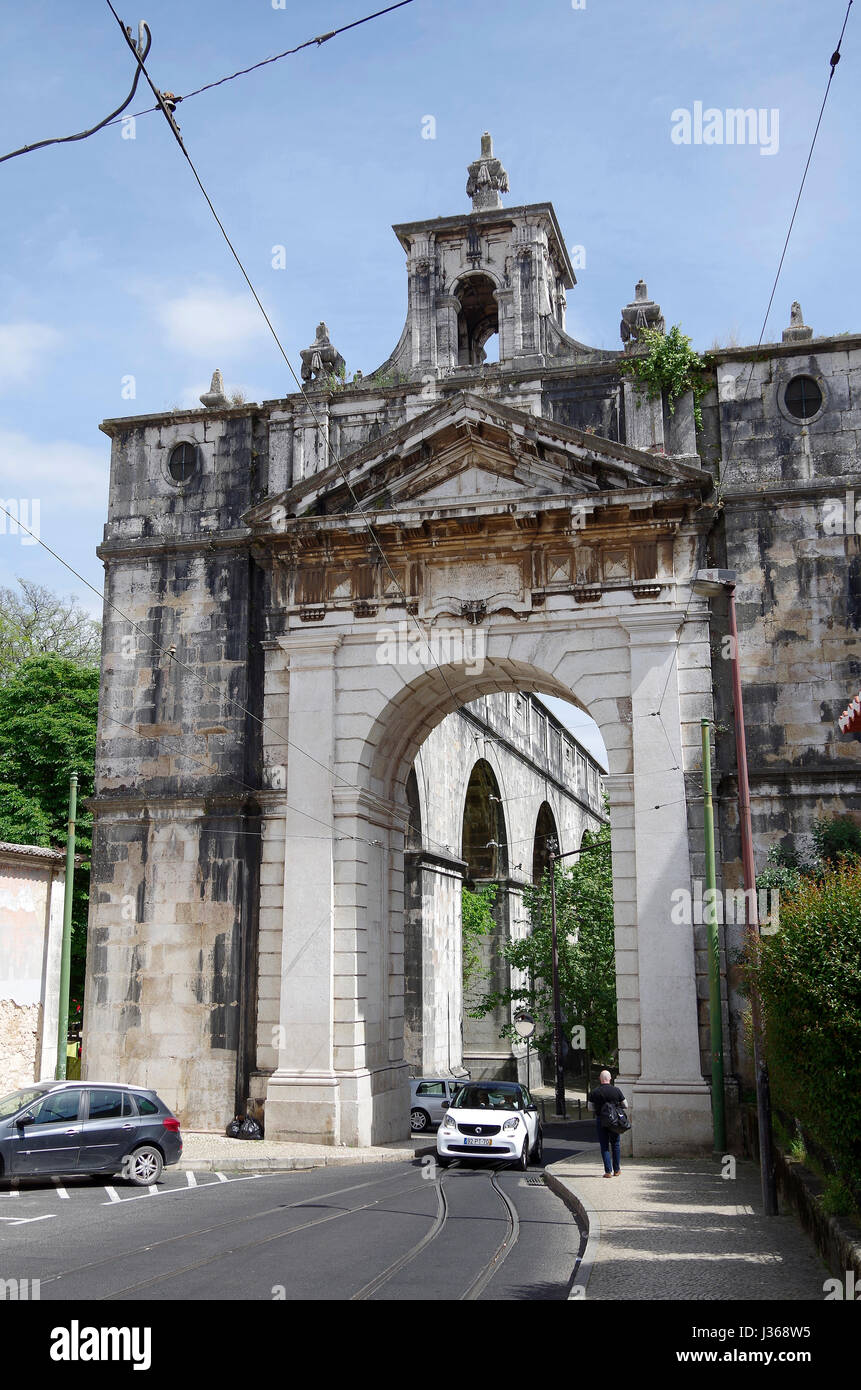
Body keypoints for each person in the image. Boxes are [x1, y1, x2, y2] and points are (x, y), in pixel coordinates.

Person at [588, 1069, 627, 1177]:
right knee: (615, 1144)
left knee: (604, 1146)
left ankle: (608, 1171)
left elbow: (590, 1108)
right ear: (610, 1079)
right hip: (614, 1121)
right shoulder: (616, 1090)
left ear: (600, 1079)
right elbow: (626, 1105)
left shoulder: (595, 1092)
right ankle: (617, 1170)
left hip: (601, 1120)